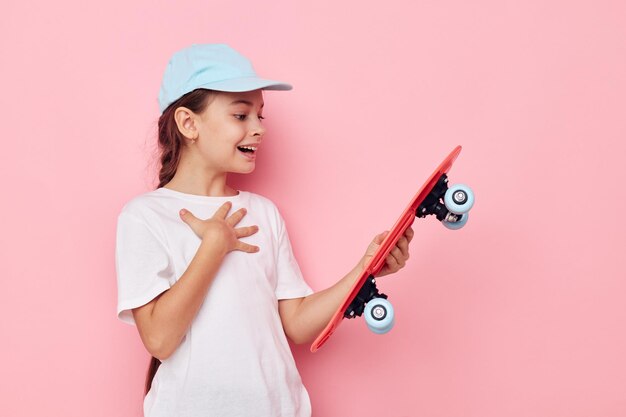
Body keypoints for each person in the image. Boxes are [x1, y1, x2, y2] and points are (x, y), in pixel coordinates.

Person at [115, 43, 414, 417]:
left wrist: (363, 270)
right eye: (241, 115)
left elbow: (298, 323)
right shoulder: (145, 217)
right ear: (189, 123)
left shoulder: (264, 213)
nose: (258, 129)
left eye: (260, 115)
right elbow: (159, 339)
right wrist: (213, 247)